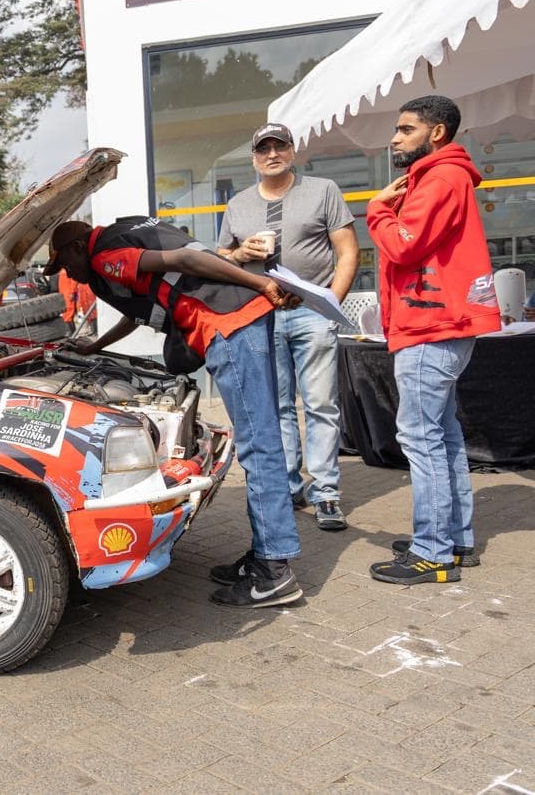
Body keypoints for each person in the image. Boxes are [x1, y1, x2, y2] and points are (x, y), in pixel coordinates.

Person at [44, 217, 305, 608]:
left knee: (258, 442)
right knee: (260, 438)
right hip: (241, 313)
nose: (68, 274)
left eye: (65, 264)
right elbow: (137, 310)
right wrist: (93, 347)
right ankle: (265, 553)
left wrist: (261, 283)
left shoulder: (105, 255)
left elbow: (186, 259)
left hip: (226, 322)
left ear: (79, 247)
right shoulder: (128, 229)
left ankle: (273, 571)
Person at [364, 95, 501, 585]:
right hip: (438, 324)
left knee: (422, 439)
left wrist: (376, 210)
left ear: (436, 132)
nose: (395, 139)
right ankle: (453, 541)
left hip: (431, 325)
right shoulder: (441, 177)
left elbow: (403, 245)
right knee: (441, 436)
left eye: (406, 129)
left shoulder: (440, 177)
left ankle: (433, 552)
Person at [218, 122, 358, 532]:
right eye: (264, 149)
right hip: (260, 313)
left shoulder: (323, 190)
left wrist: (331, 303)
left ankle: (326, 492)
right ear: (254, 157)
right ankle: (291, 486)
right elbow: (221, 257)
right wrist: (239, 253)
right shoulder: (238, 204)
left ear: (293, 151)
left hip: (311, 312)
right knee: (276, 406)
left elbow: (348, 252)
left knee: (320, 404)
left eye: (280, 146)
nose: (272, 154)